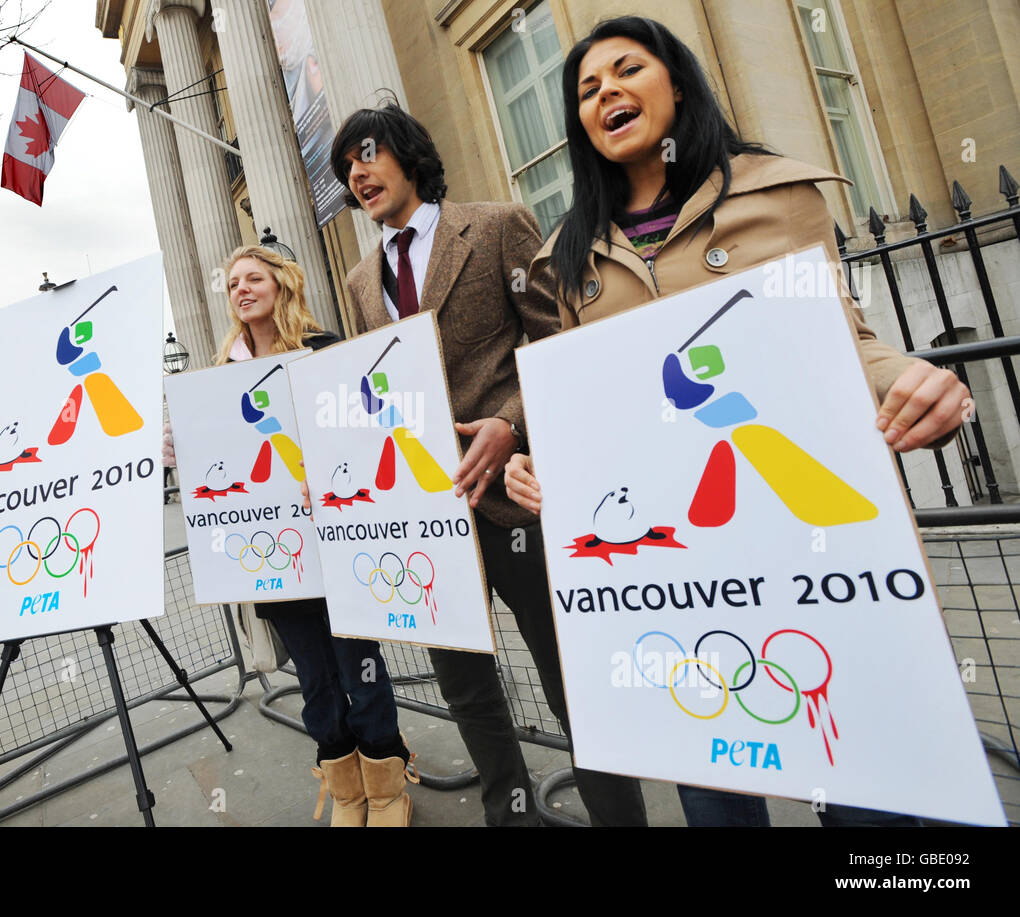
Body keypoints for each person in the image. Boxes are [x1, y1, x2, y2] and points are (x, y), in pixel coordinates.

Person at [504, 15, 972, 827]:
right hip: (672, 571)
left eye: (627, 70)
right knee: (712, 786)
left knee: (865, 789)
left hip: (800, 546)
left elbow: (843, 339)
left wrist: (918, 382)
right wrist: (543, 465)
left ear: (676, 83)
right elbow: (591, 411)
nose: (606, 92)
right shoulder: (566, 256)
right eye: (586, 88)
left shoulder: (772, 194)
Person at [326, 102, 648, 827]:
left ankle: (620, 818)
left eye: (368, 151)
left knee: (571, 679)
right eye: (347, 164)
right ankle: (512, 816)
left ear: (410, 154)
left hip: (515, 498)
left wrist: (511, 424)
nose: (357, 171)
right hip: (428, 519)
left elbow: (557, 346)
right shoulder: (357, 280)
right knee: (466, 686)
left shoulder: (498, 224)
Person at [164, 244, 417, 826]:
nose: (241, 289)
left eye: (254, 277)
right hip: (274, 558)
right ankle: (347, 788)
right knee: (315, 681)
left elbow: (360, 430)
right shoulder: (220, 378)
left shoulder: (324, 352)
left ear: (282, 284)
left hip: (338, 545)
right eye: (232, 284)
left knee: (361, 667)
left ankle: (387, 782)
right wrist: (182, 448)